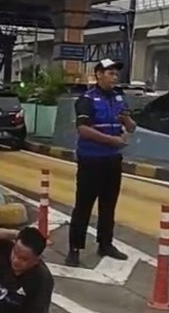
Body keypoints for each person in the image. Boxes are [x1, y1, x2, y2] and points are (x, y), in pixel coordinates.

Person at [65, 59, 136, 267]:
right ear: (98, 75)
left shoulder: (118, 98)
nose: (114, 77)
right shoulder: (86, 100)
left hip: (113, 160)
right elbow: (83, 129)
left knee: (108, 204)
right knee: (84, 205)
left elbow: (131, 127)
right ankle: (74, 249)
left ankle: (105, 243)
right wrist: (112, 140)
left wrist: (128, 120)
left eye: (116, 74)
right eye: (110, 73)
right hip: (91, 160)